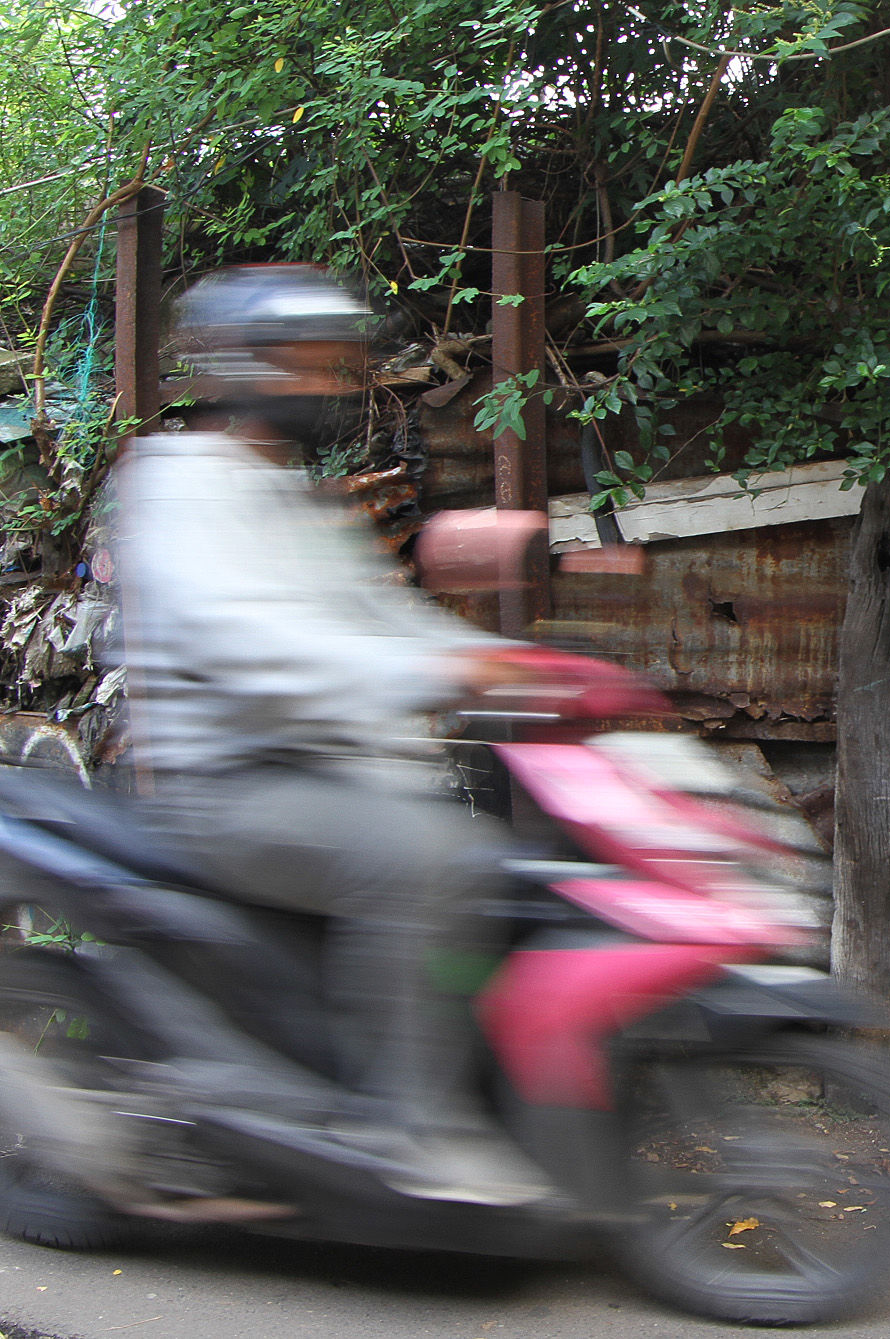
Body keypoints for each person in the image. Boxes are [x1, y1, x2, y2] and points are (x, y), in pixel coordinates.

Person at [113, 264, 550, 1206]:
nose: (327, 384)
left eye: (334, 365)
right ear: (243, 370)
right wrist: (433, 673)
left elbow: (380, 617)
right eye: (304, 364)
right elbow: (252, 647)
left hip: (327, 772)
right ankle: (409, 1130)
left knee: (503, 867)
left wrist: (512, 663)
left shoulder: (296, 499)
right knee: (430, 855)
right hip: (230, 788)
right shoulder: (177, 483)